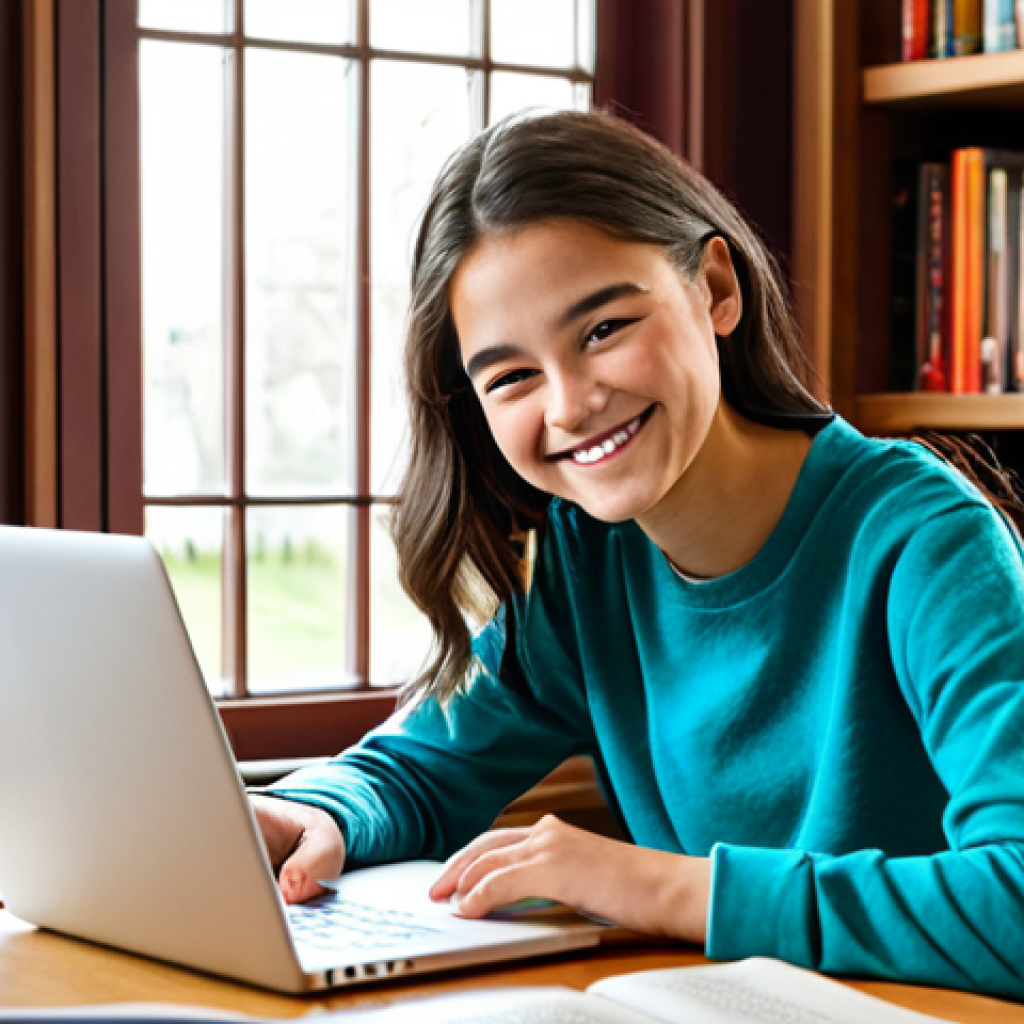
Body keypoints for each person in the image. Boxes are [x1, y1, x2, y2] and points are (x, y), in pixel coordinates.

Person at [250, 110, 1024, 998]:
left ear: (716, 288)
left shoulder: (929, 544)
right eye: (512, 377)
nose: (570, 405)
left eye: (603, 329)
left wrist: (660, 887)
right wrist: (312, 813)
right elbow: (422, 768)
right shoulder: (584, 562)